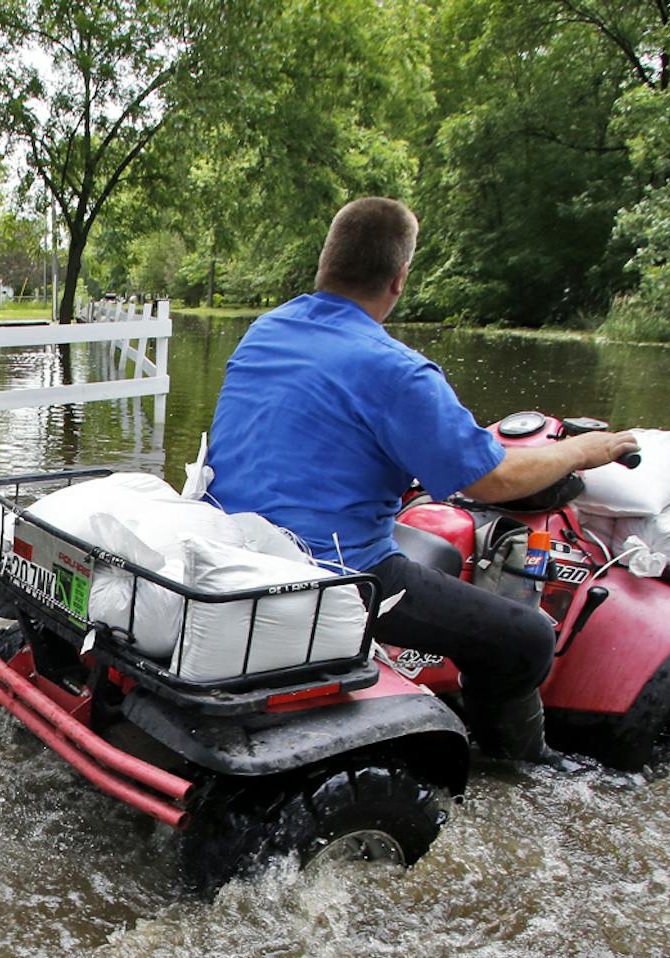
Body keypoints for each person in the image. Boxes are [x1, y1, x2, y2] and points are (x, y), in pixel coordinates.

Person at [203, 196, 637, 761]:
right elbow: (493, 479)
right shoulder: (398, 370)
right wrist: (580, 450)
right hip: (338, 574)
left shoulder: (267, 331)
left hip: (230, 542)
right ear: (400, 278)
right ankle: (517, 770)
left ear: (325, 263)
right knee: (527, 638)